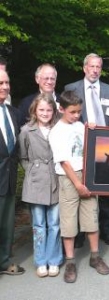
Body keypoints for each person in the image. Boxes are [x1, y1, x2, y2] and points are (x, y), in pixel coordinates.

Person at [49, 91, 109, 283]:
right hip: (69, 179)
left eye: (79, 112)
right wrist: (78, 184)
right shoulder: (56, 131)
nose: (76, 115)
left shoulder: (79, 126)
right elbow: (64, 161)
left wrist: (91, 128)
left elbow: (91, 145)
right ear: (61, 109)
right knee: (68, 221)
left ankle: (94, 256)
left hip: (87, 174)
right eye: (73, 112)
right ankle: (70, 261)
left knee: (91, 216)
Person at [64, 53, 109, 246]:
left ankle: (106, 231)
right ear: (84, 68)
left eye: (98, 67)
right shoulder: (71, 89)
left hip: (107, 145)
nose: (95, 70)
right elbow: (65, 118)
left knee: (107, 192)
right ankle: (80, 233)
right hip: (80, 147)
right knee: (82, 189)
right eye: (92, 66)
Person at [18, 93, 63, 278]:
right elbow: (23, 157)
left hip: (55, 178)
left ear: (54, 111)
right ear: (35, 110)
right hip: (35, 181)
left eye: (49, 110)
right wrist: (33, 171)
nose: (45, 113)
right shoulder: (26, 131)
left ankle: (54, 259)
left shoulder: (59, 128)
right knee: (38, 224)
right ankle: (40, 260)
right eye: (41, 110)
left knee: (54, 223)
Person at [0, 70, 25, 275]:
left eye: (7, 82)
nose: (5, 87)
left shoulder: (12, 112)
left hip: (8, 178)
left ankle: (5, 261)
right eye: (0, 83)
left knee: (7, 223)